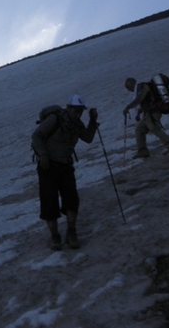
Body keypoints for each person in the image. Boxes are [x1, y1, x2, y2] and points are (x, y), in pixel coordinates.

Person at [31, 94, 98, 250]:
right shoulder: (55, 119)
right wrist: (43, 154)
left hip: (65, 165)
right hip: (48, 166)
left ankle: (71, 231)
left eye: (80, 111)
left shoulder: (77, 124)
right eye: (76, 110)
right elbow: (36, 135)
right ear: (68, 108)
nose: (78, 114)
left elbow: (88, 138)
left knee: (71, 198)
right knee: (49, 201)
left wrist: (93, 121)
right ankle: (55, 235)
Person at [123, 77, 169, 158]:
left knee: (155, 130)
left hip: (153, 113)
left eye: (127, 87)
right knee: (139, 130)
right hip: (149, 114)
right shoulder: (139, 89)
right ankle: (143, 151)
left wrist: (128, 107)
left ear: (132, 84)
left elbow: (139, 99)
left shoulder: (142, 87)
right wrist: (139, 113)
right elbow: (145, 102)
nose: (128, 89)